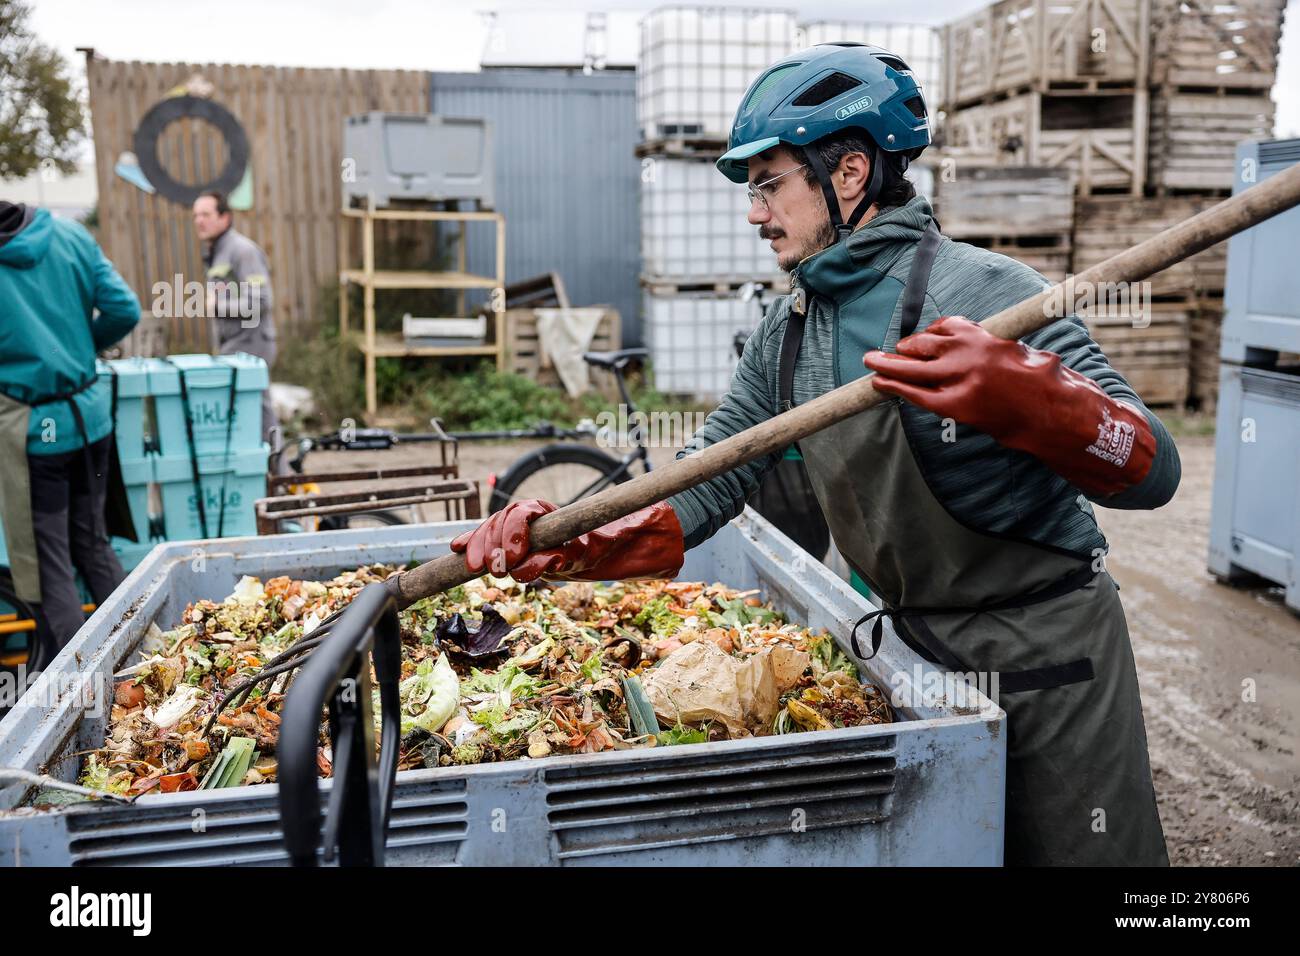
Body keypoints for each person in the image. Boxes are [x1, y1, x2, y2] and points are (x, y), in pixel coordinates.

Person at [449, 43, 1181, 866]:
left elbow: (1153, 471)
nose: (754, 212)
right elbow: (700, 485)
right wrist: (571, 542)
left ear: (851, 173)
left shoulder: (987, 295)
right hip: (915, 663)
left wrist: (1040, 400)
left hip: (1050, 663)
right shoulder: (790, 329)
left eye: (769, 183)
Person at [0, 201, 141, 670]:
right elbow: (124, 309)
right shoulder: (70, 235)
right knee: (94, 545)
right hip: (91, 419)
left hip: (37, 437)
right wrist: (79, 348)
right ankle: (148, 657)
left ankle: (83, 688)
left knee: (49, 566)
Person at [191, 190, 277, 439]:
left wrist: (216, 306)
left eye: (206, 214)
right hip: (233, 343)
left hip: (252, 344)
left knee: (260, 410)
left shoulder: (242, 251)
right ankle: (260, 471)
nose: (199, 221)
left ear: (225, 218)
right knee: (246, 411)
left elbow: (260, 301)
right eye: (196, 215)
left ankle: (280, 473)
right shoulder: (217, 251)